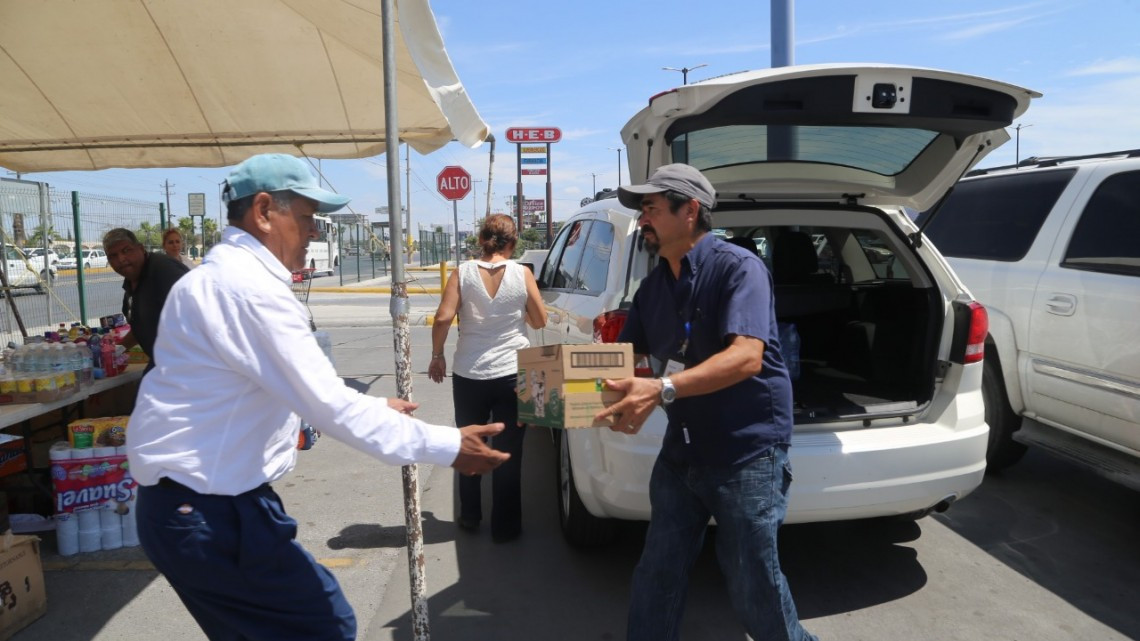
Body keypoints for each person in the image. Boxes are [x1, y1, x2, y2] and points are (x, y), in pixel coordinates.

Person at [127, 153, 510, 641]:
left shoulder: (222, 280)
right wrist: (448, 446)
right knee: (323, 625)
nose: (314, 232)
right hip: (208, 508)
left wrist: (373, 407)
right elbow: (326, 403)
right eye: (307, 218)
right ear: (264, 211)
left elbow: (296, 391)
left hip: (211, 503)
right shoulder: (245, 290)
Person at [595, 163, 817, 641]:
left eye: (652, 208)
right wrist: (552, 390)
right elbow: (623, 357)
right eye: (642, 211)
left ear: (690, 211)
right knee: (659, 570)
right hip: (683, 450)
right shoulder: (654, 287)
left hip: (746, 450)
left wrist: (660, 389)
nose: (643, 220)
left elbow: (746, 357)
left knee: (753, 581)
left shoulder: (740, 268)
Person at [428, 214, 546, 542]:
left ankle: (469, 515)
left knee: (470, 443)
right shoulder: (522, 273)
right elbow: (538, 321)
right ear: (512, 242)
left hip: (469, 374)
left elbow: (442, 317)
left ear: (481, 239)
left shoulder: (462, 273)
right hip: (513, 373)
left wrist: (437, 355)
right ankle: (505, 527)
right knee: (508, 451)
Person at [103, 228, 190, 367]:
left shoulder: (164, 270)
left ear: (141, 249)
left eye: (126, 250)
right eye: (113, 256)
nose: (121, 259)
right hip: (164, 363)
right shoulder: (132, 282)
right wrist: (117, 351)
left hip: (187, 365)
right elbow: (142, 327)